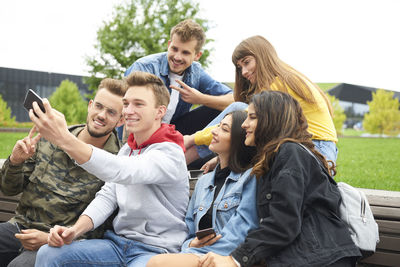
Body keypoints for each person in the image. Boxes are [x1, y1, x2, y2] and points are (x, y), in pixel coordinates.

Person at [33, 71, 189, 267]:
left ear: (160, 111)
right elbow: (108, 195)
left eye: (138, 104)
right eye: (126, 104)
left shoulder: (169, 153)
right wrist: (75, 230)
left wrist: (64, 139)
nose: (128, 110)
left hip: (156, 252)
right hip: (117, 245)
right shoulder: (127, 149)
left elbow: (123, 171)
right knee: (49, 254)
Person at [199, 91, 361, 267]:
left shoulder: (290, 153)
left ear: (271, 119)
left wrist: (235, 259)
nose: (244, 124)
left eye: (252, 117)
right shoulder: (277, 157)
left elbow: (284, 223)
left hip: (320, 260)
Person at [0, 78, 126, 267]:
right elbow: (9, 190)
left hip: (60, 245)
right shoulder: (49, 138)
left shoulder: (117, 163)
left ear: (121, 120)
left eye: (111, 112)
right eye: (98, 106)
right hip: (20, 227)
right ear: (90, 106)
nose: (101, 115)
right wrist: (16, 161)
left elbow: (102, 228)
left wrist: (49, 239)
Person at [185, 35, 338, 167]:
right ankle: (183, 158)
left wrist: (192, 138)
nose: (243, 72)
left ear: (263, 57)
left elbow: (240, 122)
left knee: (239, 110)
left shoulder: (280, 84)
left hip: (316, 152)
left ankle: (182, 158)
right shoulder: (287, 78)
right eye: (240, 67)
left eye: (247, 62)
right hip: (314, 149)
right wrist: (222, 157)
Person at [146, 110, 257, 267]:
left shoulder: (250, 178)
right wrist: (190, 245)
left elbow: (242, 232)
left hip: (227, 258)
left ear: (240, 139)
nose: (214, 131)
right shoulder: (203, 182)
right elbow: (189, 230)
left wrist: (200, 253)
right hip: (197, 254)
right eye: (218, 126)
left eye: (224, 129)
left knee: (157, 263)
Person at [122, 19, 234, 137]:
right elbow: (127, 108)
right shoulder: (144, 67)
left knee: (222, 108)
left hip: (173, 129)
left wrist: (200, 99)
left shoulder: (196, 72)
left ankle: (197, 150)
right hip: (142, 131)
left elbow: (235, 99)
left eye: (185, 53)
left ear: (197, 55)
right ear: (169, 45)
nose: (177, 57)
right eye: (174, 49)